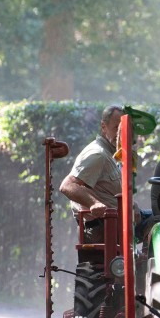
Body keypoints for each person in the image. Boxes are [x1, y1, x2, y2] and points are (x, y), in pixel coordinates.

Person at [60, 104, 124, 243]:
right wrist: (94, 203)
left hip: (122, 224)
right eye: (116, 128)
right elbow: (67, 185)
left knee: (159, 221)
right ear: (103, 127)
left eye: (124, 129)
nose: (121, 134)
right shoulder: (97, 154)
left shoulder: (114, 154)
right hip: (104, 228)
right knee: (157, 225)